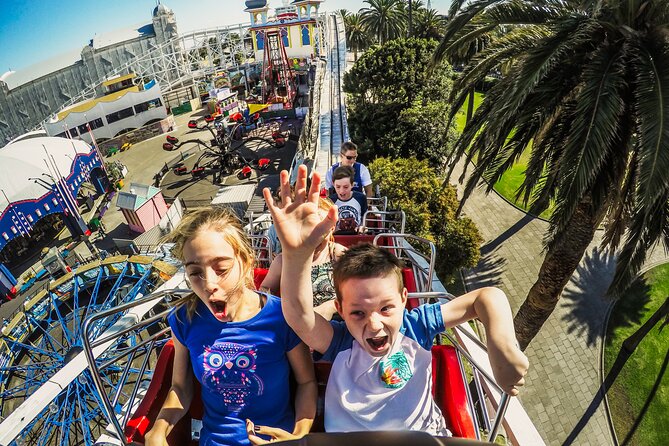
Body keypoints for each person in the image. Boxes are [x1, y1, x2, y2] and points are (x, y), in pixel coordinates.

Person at [263, 166, 529, 434]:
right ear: (340, 310)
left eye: (386, 308)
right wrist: (296, 255)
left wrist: (501, 345)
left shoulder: (415, 326)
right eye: (358, 313)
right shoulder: (341, 341)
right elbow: (298, 314)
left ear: (404, 299)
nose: (375, 324)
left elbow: (486, 297)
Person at [145, 207, 316, 446]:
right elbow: (180, 388)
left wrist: (298, 436)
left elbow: (307, 382)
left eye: (221, 269)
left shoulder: (281, 316)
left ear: (245, 262)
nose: (209, 284)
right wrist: (159, 428)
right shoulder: (184, 319)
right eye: (195, 272)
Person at [260, 196, 347, 321]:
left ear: (332, 228)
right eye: (309, 230)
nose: (314, 238)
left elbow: (360, 291)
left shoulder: (337, 254)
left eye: (321, 230)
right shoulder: (283, 261)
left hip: (334, 325)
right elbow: (264, 294)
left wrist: (330, 306)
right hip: (294, 329)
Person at [329, 166, 368, 233]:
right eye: (338, 187)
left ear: (352, 185)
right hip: (336, 238)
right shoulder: (330, 200)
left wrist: (362, 227)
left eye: (345, 187)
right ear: (333, 184)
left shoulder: (360, 198)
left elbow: (364, 217)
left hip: (356, 237)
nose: (341, 191)